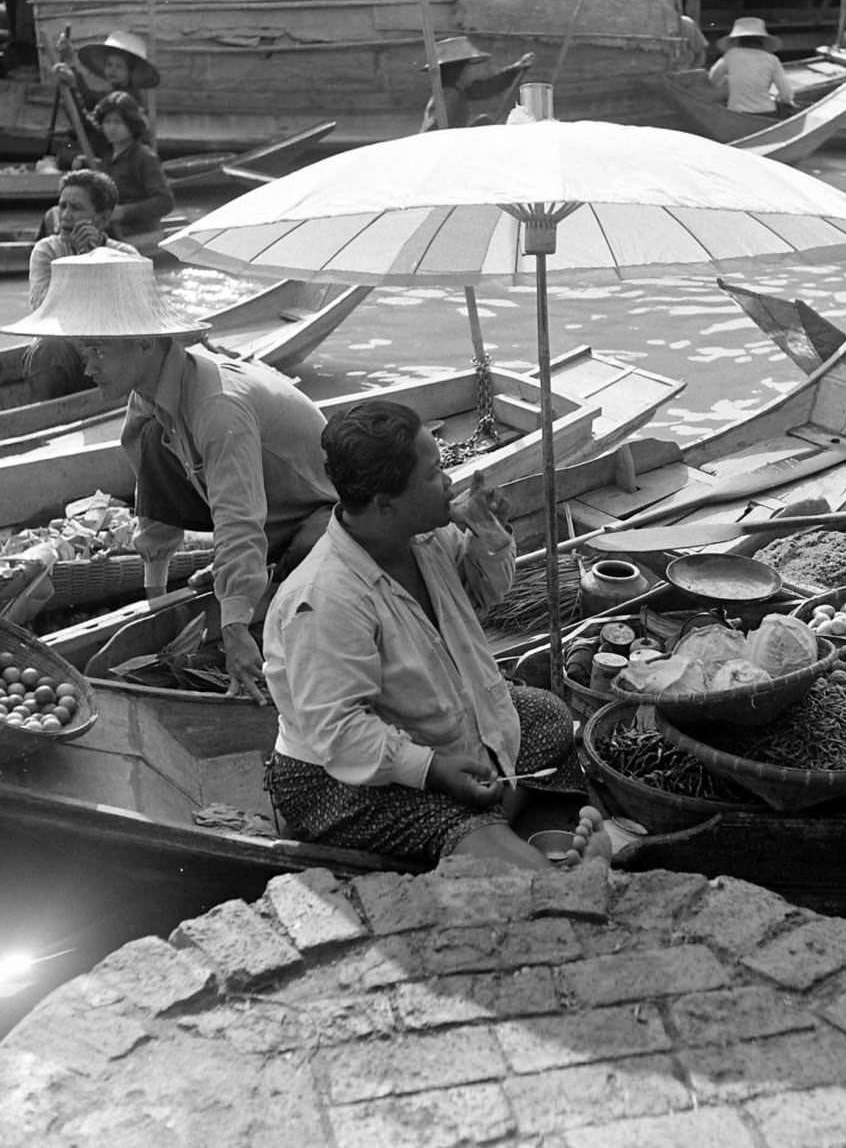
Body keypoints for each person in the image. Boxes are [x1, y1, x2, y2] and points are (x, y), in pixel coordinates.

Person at [261, 399, 610, 870]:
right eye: (432, 475)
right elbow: (340, 733)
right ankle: (498, 837)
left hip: (428, 725)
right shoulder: (324, 599)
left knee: (545, 713)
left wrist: (490, 534)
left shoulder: (424, 538)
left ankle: (490, 816)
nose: (448, 481)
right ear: (385, 505)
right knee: (455, 822)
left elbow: (481, 594)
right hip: (339, 775)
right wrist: (433, 771)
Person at [3, 248, 338, 700]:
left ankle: (270, 617)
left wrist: (237, 621)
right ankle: (245, 584)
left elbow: (239, 518)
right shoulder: (149, 398)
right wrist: (155, 598)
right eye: (86, 352)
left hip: (319, 513)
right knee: (150, 443)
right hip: (262, 508)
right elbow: (153, 497)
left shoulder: (217, 407)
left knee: (292, 592)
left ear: (145, 344)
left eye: (99, 351)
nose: (87, 368)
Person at [24, 169, 140, 401]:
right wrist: (79, 262)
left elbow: (132, 316)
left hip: (109, 352)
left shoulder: (125, 255)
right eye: (62, 206)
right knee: (48, 347)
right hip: (63, 353)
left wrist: (95, 258)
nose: (65, 215)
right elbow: (43, 310)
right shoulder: (47, 250)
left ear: (103, 219)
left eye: (76, 208)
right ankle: (45, 416)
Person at [51, 29, 160, 159]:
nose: (113, 70)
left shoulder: (127, 99)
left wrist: (73, 83)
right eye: (109, 65)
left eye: (119, 67)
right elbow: (89, 99)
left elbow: (90, 124)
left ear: (130, 72)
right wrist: (70, 62)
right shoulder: (111, 95)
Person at [90, 91, 173, 237]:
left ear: (131, 124)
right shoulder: (109, 154)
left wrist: (124, 212)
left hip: (135, 231)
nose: (112, 128)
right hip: (109, 226)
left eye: (118, 122)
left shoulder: (144, 157)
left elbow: (164, 201)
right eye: (107, 122)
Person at [421, 37, 535, 132]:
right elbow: (433, 134)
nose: (473, 71)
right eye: (469, 67)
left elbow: (489, 87)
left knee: (484, 121)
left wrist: (516, 68)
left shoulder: (459, 90)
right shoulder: (449, 95)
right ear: (460, 71)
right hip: (447, 150)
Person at [708, 16, 796, 115]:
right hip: (766, 111)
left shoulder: (731, 55)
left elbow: (713, 78)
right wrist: (784, 101)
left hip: (736, 111)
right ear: (762, 41)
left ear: (737, 40)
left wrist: (727, 80)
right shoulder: (772, 59)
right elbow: (787, 94)